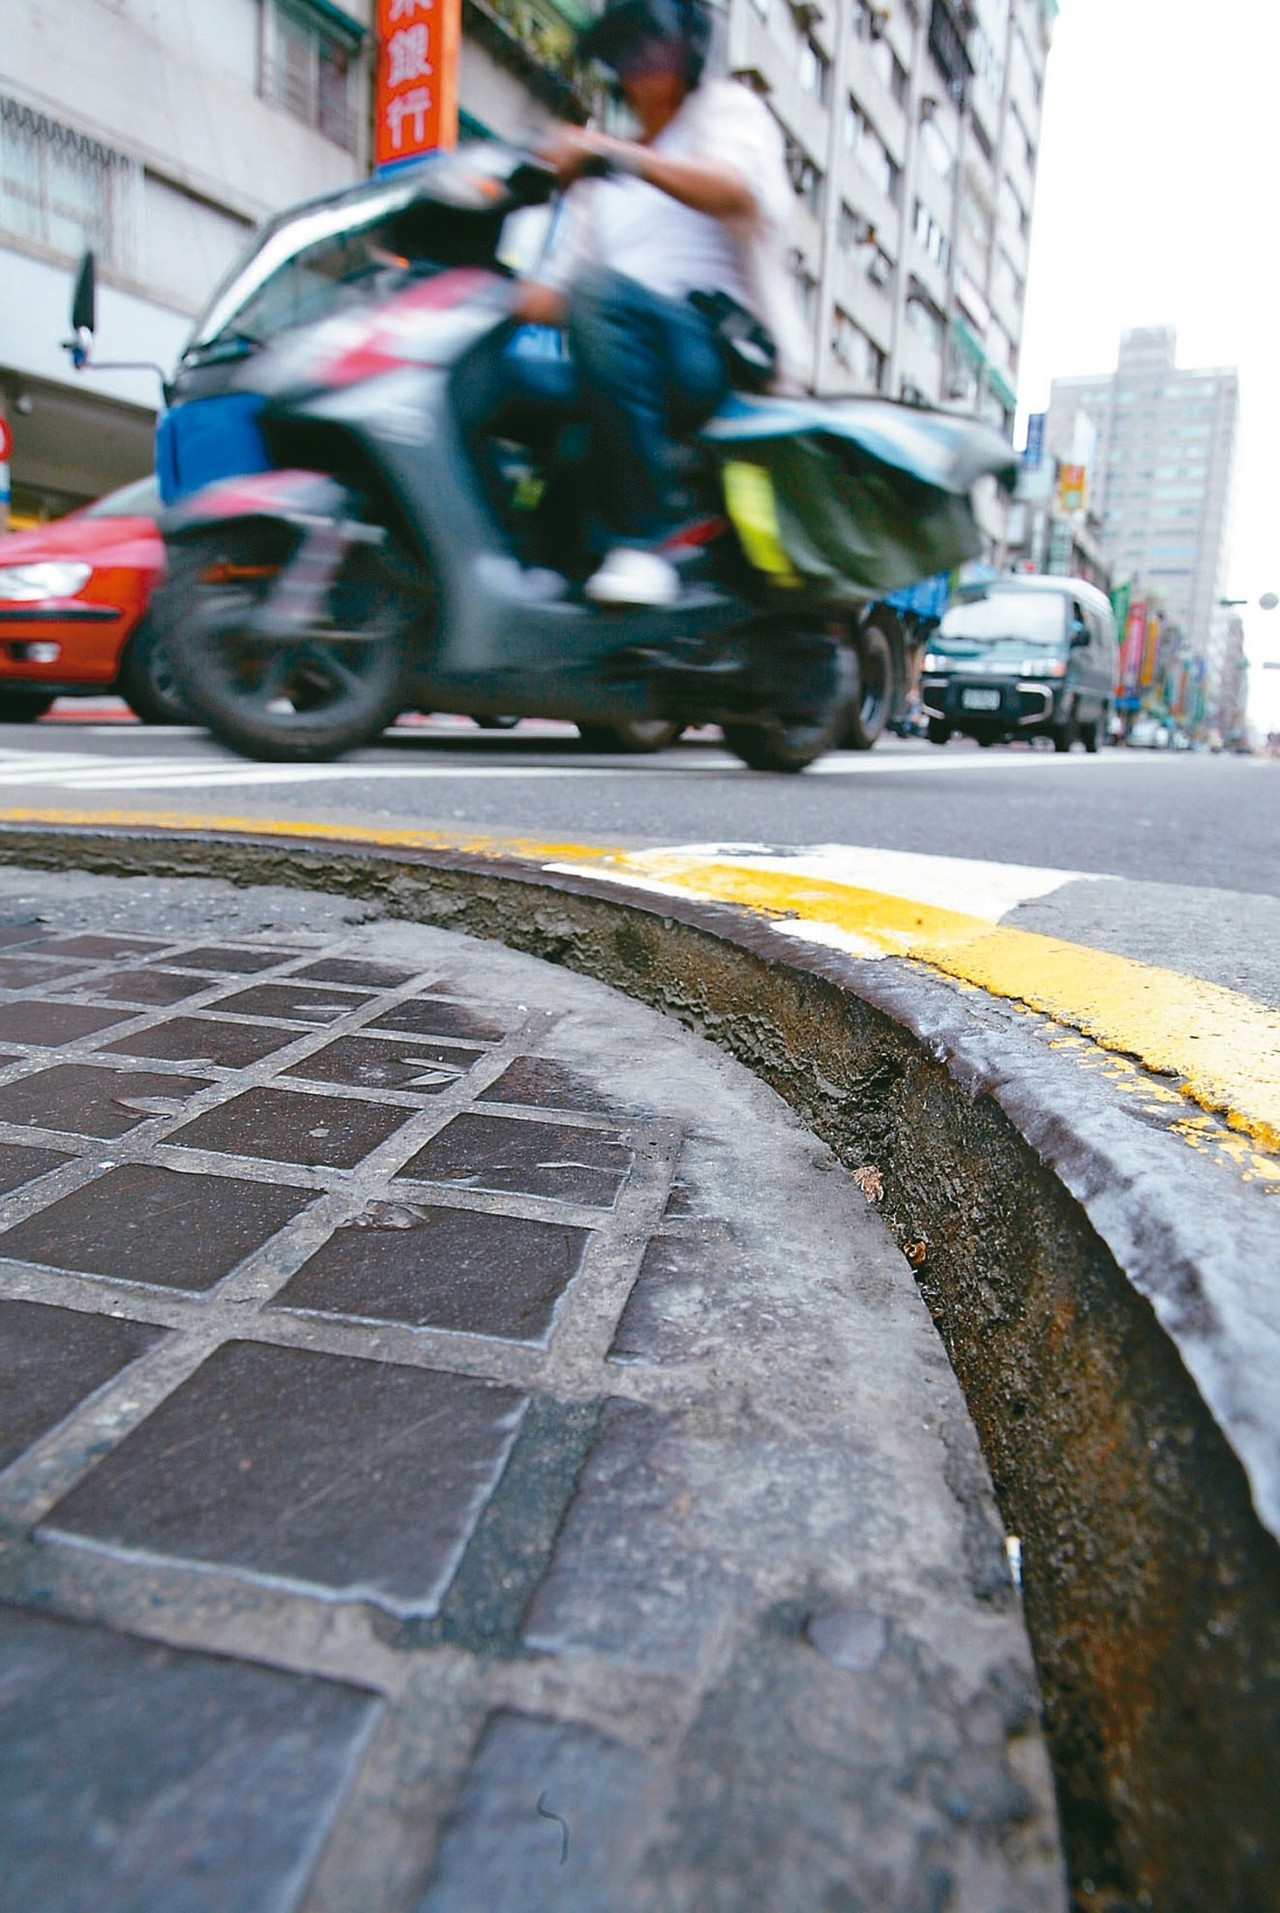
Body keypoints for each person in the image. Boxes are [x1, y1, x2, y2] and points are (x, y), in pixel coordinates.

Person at [515, 0, 808, 607]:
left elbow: (735, 191)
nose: (643, 62)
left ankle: (643, 544)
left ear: (690, 48)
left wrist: (615, 156)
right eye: (628, 50)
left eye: (656, 44)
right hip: (625, 357)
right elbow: (550, 295)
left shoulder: (724, 112)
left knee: (603, 298)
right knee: (530, 402)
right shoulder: (601, 175)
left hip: (718, 352)